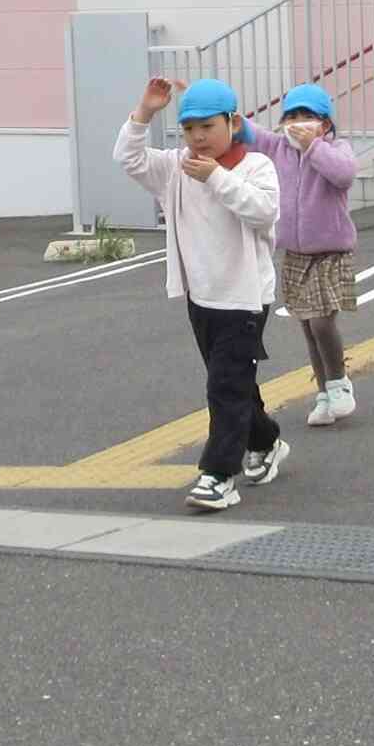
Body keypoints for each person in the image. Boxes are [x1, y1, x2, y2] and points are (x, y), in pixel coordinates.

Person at [115, 74, 283, 512]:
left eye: (208, 126)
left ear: (233, 122)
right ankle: (266, 440)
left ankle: (218, 476)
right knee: (233, 381)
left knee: (224, 385)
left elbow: (264, 212)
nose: (198, 137)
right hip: (201, 296)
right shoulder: (176, 168)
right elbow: (128, 158)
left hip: (246, 297)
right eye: (190, 129)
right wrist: (145, 112)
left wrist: (216, 178)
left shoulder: (255, 167)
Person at [267, 83, 363, 425]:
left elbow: (345, 175)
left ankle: (339, 384)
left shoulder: (336, 149)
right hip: (295, 253)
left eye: (308, 116)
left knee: (323, 322)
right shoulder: (278, 148)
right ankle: (323, 393)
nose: (298, 123)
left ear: (324, 125)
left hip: (331, 253)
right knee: (308, 326)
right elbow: (245, 133)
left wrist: (313, 147)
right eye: (291, 116)